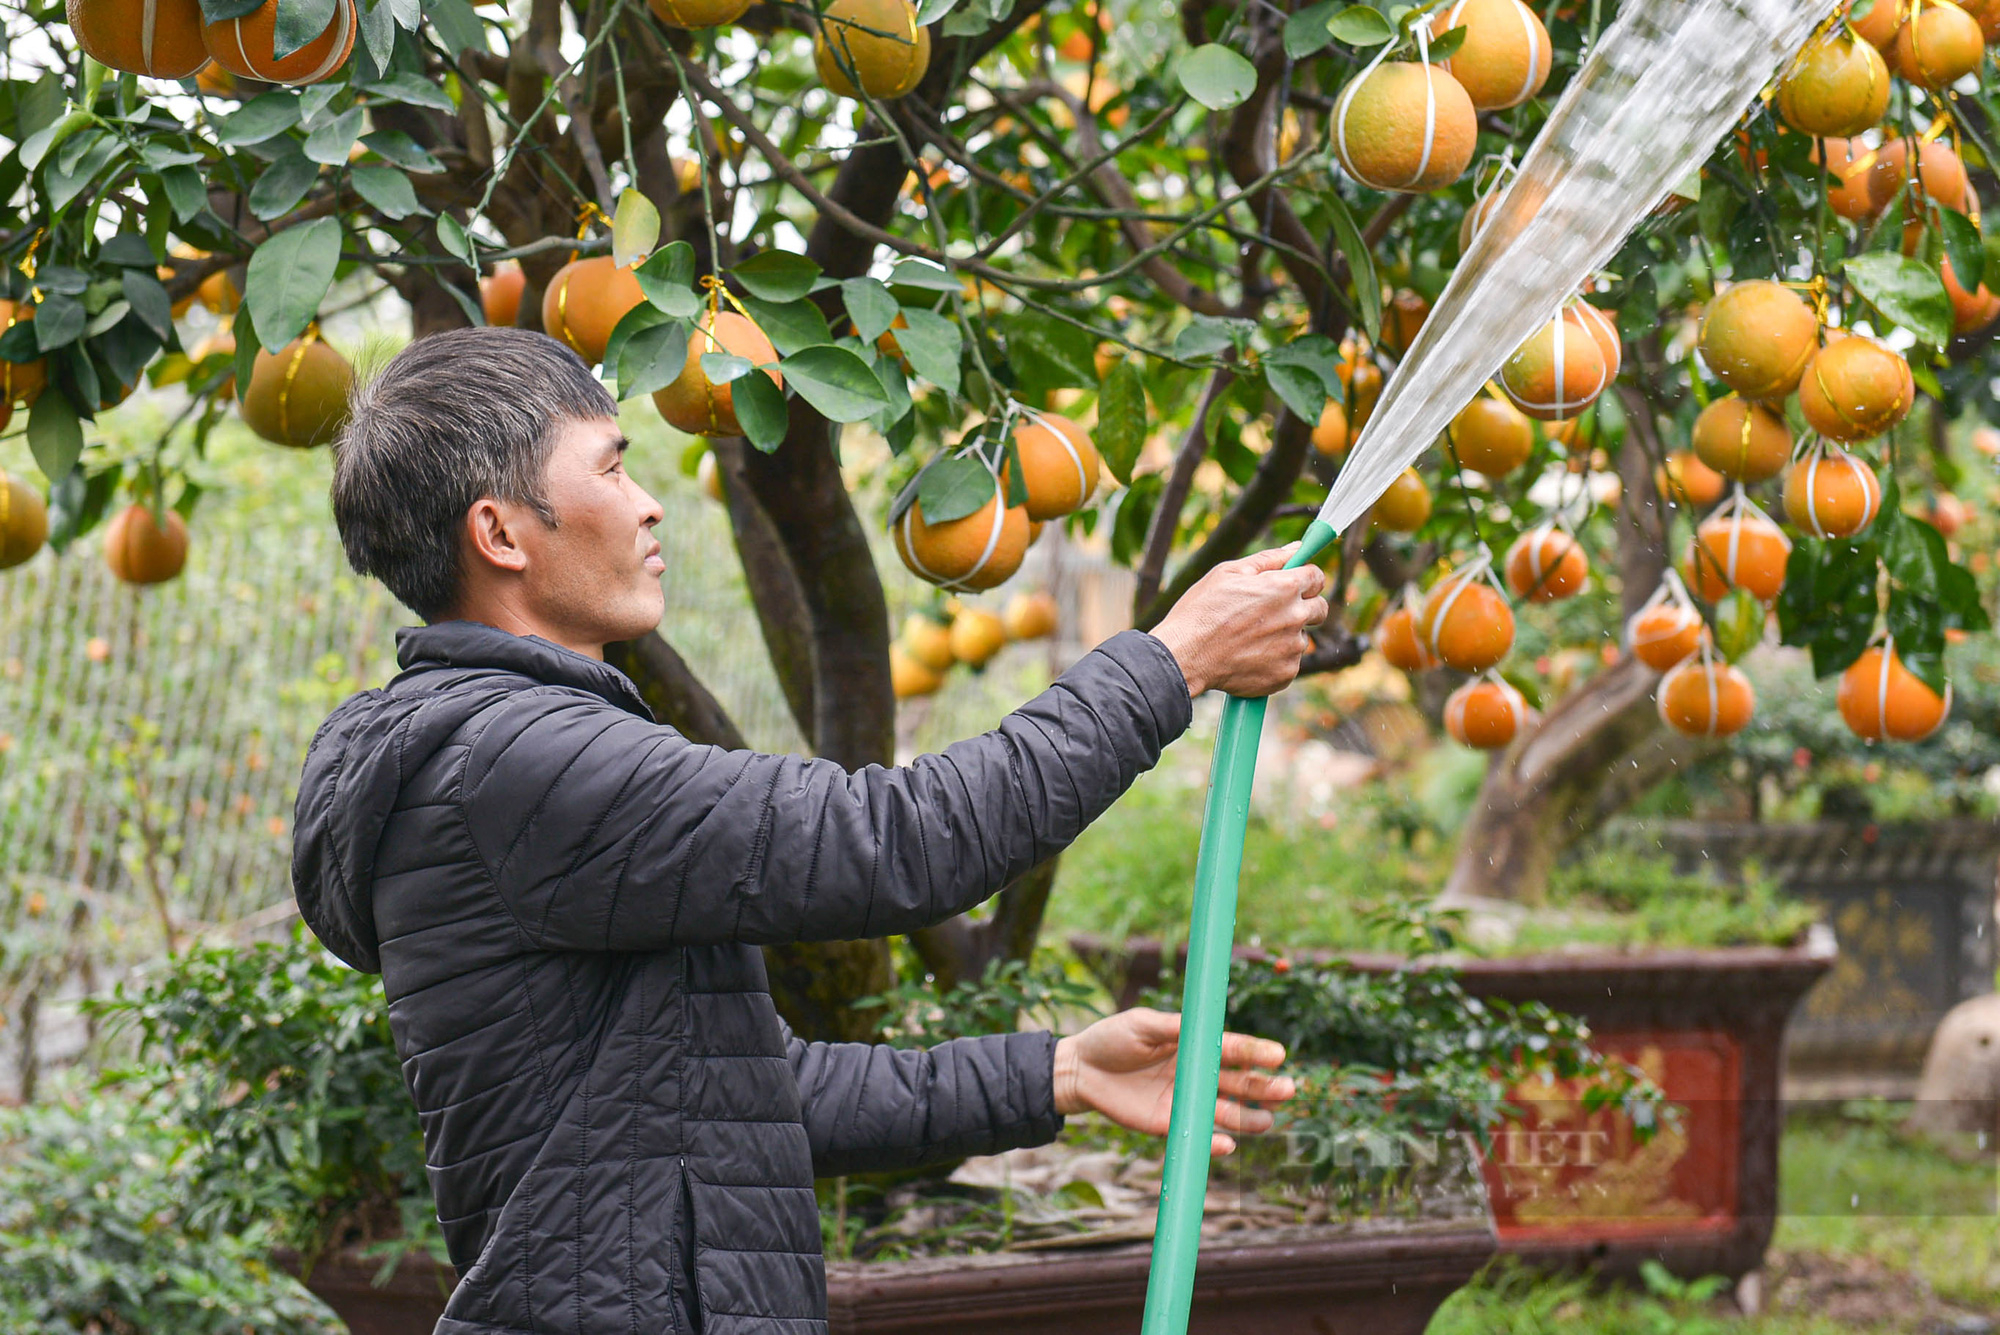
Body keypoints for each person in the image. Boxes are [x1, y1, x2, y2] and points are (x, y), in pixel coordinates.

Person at [292, 327, 1330, 1335]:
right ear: (502, 533)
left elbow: (749, 1092)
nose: (651, 504)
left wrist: (1058, 1073)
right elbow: (903, 842)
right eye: (610, 470)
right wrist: (1170, 662)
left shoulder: (517, 759)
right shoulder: (522, 765)